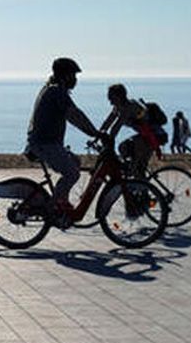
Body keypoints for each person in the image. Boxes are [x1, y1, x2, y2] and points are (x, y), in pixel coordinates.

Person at [24, 58, 106, 225]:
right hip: (44, 144)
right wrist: (94, 132)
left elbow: (74, 114)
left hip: (47, 143)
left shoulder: (54, 90)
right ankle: (51, 209)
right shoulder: (56, 92)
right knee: (72, 173)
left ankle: (63, 203)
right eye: (73, 75)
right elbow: (74, 115)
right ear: (64, 75)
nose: (75, 79)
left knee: (75, 161)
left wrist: (93, 132)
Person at [99, 84, 162, 177]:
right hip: (146, 136)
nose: (110, 102)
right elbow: (108, 122)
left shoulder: (129, 107)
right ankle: (138, 181)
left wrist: (109, 140)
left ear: (119, 97)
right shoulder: (118, 107)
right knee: (134, 165)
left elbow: (116, 126)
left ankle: (139, 183)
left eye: (111, 98)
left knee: (124, 148)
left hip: (153, 136)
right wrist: (98, 135)